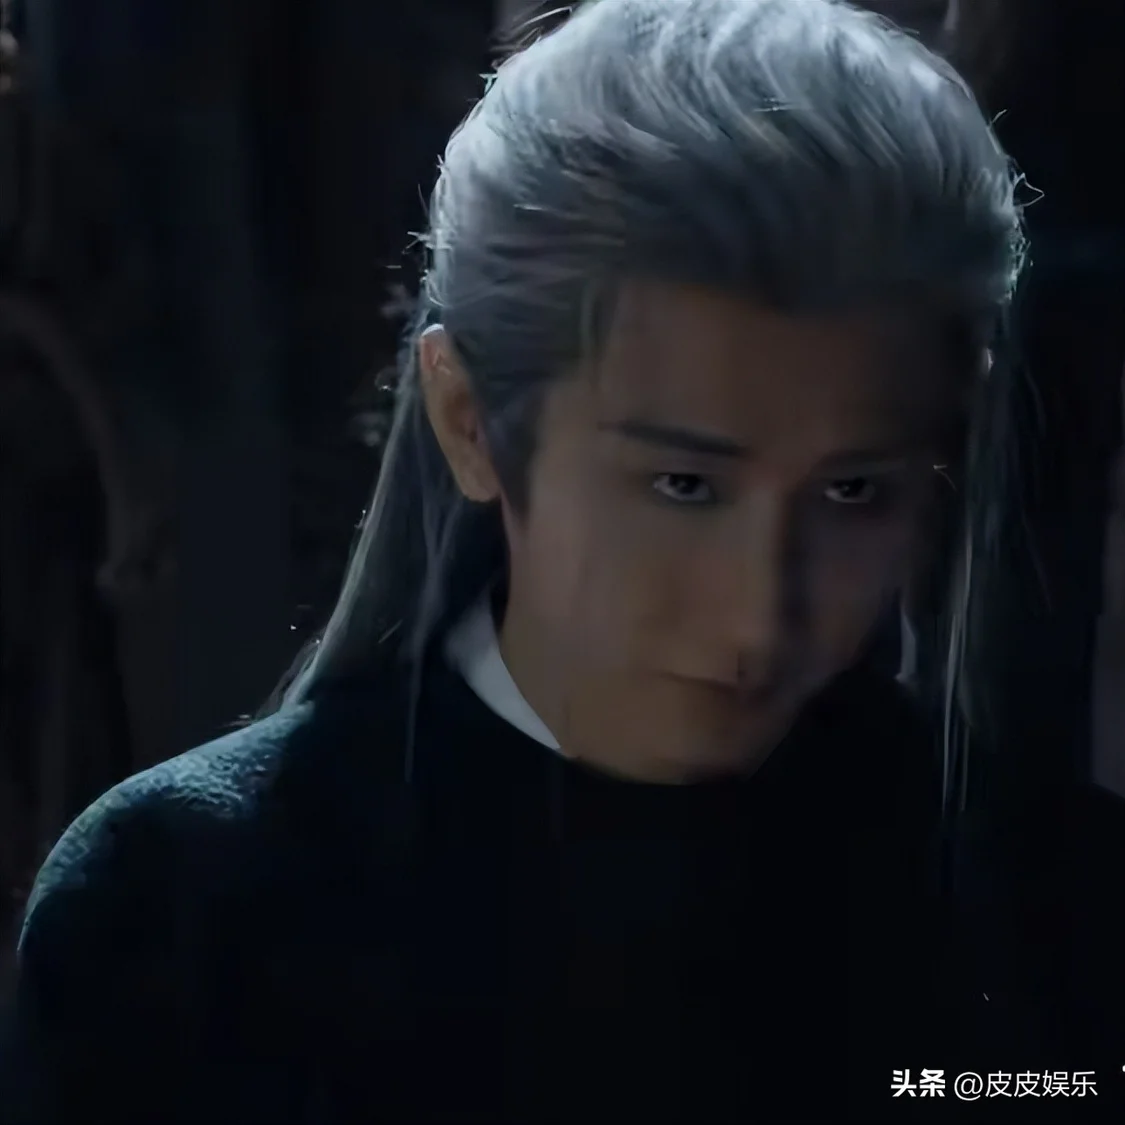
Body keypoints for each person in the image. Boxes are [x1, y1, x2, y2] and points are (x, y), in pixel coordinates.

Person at [1, 1, 1028, 1121]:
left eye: (853, 492)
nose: (756, 615)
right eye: (683, 486)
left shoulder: (1045, 910)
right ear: (471, 420)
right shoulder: (183, 914)